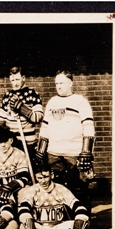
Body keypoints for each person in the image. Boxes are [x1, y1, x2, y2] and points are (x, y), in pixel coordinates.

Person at [36, 71, 95, 208]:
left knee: (78, 190)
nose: (58, 86)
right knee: (56, 189)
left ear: (70, 83)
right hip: (53, 155)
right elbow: (44, 128)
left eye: (61, 83)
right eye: (56, 83)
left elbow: (88, 127)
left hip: (73, 154)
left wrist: (86, 152)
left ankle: (81, 220)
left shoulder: (80, 101)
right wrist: (40, 151)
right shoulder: (52, 102)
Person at [18, 162, 90, 229]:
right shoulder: (32, 190)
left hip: (59, 227)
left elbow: (80, 208)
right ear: (36, 177)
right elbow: (23, 210)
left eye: (45, 177)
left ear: (51, 175)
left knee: (85, 223)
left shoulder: (61, 189)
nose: (43, 181)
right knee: (23, 228)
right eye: (39, 178)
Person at [0, 66, 43, 156]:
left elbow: (38, 118)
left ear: (23, 78)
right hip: (12, 145)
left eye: (17, 79)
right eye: (13, 80)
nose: (15, 83)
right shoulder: (7, 96)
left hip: (29, 144)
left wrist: (22, 108)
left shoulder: (32, 94)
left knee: (29, 168)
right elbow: (1, 121)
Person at [0, 124, 31, 203]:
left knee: (25, 197)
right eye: (0, 142)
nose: (3, 145)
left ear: (11, 140)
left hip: (18, 188)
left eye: (5, 141)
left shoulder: (19, 154)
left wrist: (10, 187)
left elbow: (24, 177)